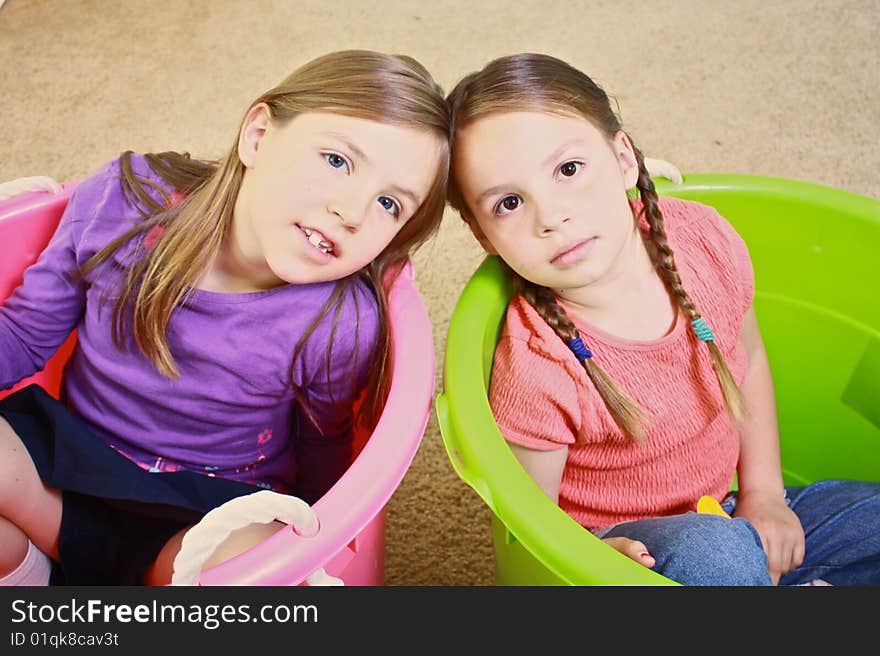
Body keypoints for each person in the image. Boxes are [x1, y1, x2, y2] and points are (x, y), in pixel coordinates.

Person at [0, 50, 450, 585]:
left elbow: (325, 443)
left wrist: (322, 540)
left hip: (208, 512)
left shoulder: (339, 321)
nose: (352, 212)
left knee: (255, 572)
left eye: (390, 204)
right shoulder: (123, 201)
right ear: (258, 136)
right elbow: (24, 332)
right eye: (337, 161)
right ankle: (39, 576)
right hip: (64, 467)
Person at [445, 52, 880, 585]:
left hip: (733, 503)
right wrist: (601, 561)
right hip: (631, 551)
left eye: (568, 170)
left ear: (624, 159)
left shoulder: (703, 241)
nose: (551, 216)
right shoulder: (538, 364)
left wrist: (765, 493)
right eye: (510, 202)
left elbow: (751, 360)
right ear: (483, 236)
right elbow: (528, 522)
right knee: (716, 556)